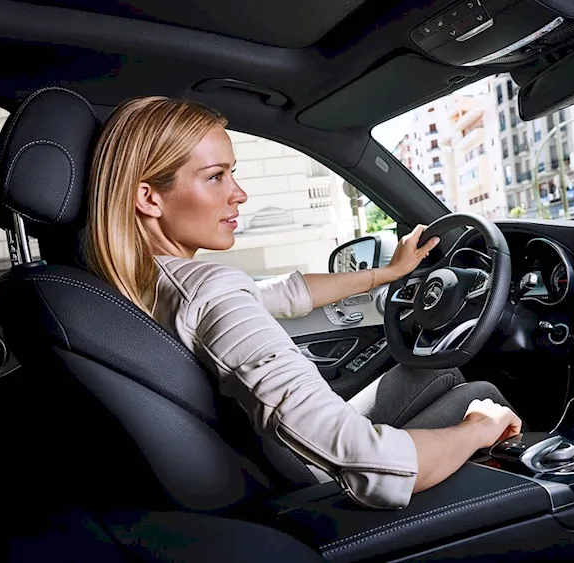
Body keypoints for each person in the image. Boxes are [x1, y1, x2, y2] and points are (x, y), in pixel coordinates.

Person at [84, 96, 522, 510]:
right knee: (479, 398)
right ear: (149, 198)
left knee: (431, 370)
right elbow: (373, 466)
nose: (239, 194)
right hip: (310, 486)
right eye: (216, 176)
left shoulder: (140, 282)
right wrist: (477, 429)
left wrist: (385, 274)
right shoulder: (210, 290)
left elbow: (285, 293)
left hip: (266, 461)